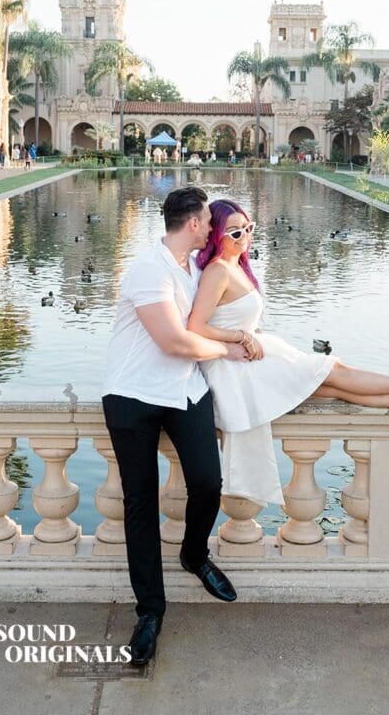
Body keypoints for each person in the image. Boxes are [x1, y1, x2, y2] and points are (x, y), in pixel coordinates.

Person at [187, 199, 389, 507]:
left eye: (248, 229)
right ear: (216, 235)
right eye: (235, 232)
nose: (245, 237)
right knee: (334, 373)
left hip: (253, 355)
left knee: (334, 385)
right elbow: (195, 326)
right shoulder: (217, 272)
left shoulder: (236, 266)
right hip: (236, 368)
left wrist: (248, 334)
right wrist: (238, 336)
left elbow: (230, 316)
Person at [102, 187, 245, 667]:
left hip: (186, 392)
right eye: (208, 220)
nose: (212, 227)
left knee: (208, 482)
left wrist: (239, 336)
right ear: (193, 223)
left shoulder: (199, 270)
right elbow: (174, 341)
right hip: (134, 396)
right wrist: (227, 350)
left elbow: (209, 321)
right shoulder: (148, 268)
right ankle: (149, 613)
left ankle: (193, 554)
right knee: (140, 502)